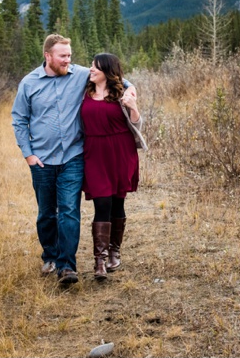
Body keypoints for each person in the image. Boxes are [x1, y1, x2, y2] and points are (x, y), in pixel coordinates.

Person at [11, 35, 135, 284]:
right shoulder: (29, 83)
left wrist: (131, 90)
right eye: (63, 56)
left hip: (73, 156)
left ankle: (67, 266)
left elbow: (115, 77)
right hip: (42, 159)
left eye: (70, 55)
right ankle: (50, 255)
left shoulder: (79, 74)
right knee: (47, 213)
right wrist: (29, 154)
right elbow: (19, 119)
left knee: (69, 210)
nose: (69, 60)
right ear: (48, 56)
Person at [81, 53, 147, 281]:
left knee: (117, 203)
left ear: (107, 71)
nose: (91, 70)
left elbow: (137, 123)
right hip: (94, 153)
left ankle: (114, 252)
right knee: (102, 203)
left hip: (121, 152)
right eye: (91, 66)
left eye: (95, 67)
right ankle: (99, 260)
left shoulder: (121, 94)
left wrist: (134, 106)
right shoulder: (84, 91)